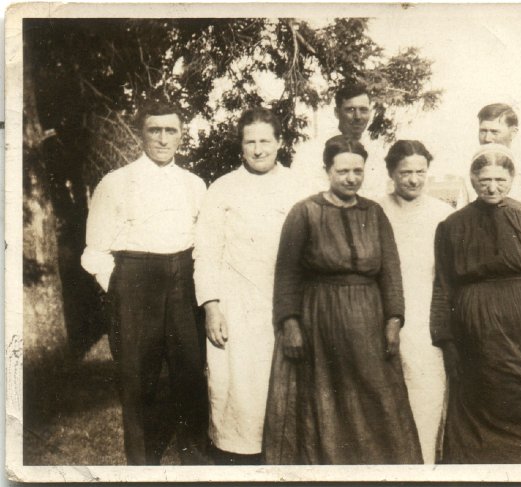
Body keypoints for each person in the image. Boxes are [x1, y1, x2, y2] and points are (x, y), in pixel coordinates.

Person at [263, 135, 422, 464]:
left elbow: (390, 272)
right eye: (343, 171)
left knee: (376, 397)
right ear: (327, 170)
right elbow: (287, 273)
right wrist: (290, 323)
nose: (351, 178)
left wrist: (393, 321)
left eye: (358, 171)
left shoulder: (374, 212)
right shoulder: (304, 212)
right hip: (319, 320)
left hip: (367, 320)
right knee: (324, 400)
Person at [430, 144, 521, 464]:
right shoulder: (452, 226)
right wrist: (446, 341)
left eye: (500, 179)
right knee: (481, 401)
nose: (492, 186)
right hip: (478, 335)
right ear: (472, 179)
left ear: (511, 179)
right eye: (484, 179)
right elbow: (443, 286)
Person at [81, 100, 208, 465]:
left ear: (182, 136)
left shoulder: (194, 184)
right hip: (134, 282)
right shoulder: (116, 182)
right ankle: (140, 466)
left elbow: (203, 243)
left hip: (183, 280)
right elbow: (95, 251)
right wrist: (121, 290)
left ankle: (194, 462)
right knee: (137, 382)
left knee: (189, 376)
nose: (163, 138)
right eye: (155, 130)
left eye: (171, 131)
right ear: (142, 134)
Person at [193, 107, 302, 465]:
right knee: (240, 388)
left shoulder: (299, 187)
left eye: (265, 141)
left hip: (287, 301)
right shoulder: (222, 188)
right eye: (250, 141)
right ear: (241, 146)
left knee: (288, 383)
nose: (258, 149)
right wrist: (211, 307)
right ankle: (238, 458)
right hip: (237, 302)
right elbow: (206, 251)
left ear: (279, 142)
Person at [378, 140, 453, 464]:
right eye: (405, 172)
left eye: (420, 172)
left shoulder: (444, 215)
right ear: (391, 173)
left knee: (426, 394)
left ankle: (422, 468)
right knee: (384, 398)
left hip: (426, 317)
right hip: (382, 314)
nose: (413, 179)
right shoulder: (374, 209)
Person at [456, 103, 521, 234]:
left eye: (494, 132)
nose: (487, 138)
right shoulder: (471, 171)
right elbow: (460, 219)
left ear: (513, 133)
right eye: (483, 131)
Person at [292, 82, 392, 200]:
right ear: (337, 113)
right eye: (350, 110)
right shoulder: (313, 150)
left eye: (363, 110)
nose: (358, 116)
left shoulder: (379, 153)